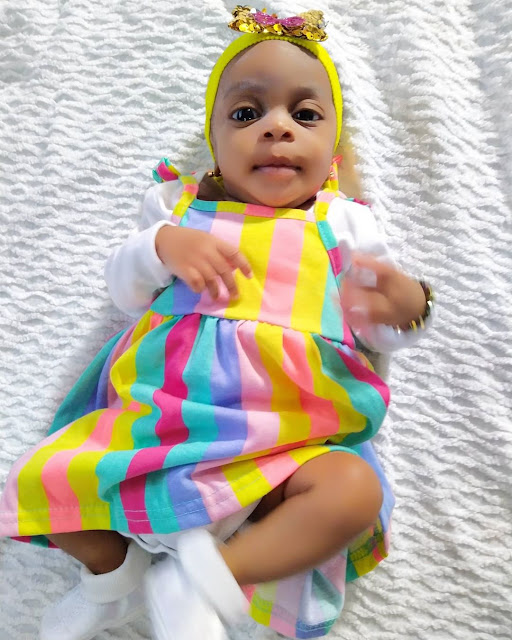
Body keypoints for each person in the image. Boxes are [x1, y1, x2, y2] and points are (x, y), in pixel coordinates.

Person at [0, 7, 434, 640]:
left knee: (353, 490)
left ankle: (209, 578)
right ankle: (113, 577)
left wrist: (407, 306)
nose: (277, 128)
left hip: (283, 448)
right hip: (160, 431)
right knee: (43, 478)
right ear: (214, 140)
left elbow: (377, 327)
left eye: (305, 115)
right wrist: (161, 247)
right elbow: (125, 289)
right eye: (246, 113)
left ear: (334, 152)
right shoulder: (179, 208)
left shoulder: (343, 222)